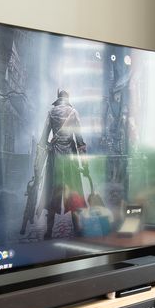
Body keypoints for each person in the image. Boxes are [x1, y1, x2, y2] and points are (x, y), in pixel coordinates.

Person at [39, 89, 88, 239]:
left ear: (58, 99)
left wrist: (46, 149)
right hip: (70, 156)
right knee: (73, 190)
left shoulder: (51, 112)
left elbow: (43, 138)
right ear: (67, 99)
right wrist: (84, 164)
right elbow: (79, 140)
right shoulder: (73, 112)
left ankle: (49, 231)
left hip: (55, 156)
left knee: (53, 190)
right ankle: (77, 228)